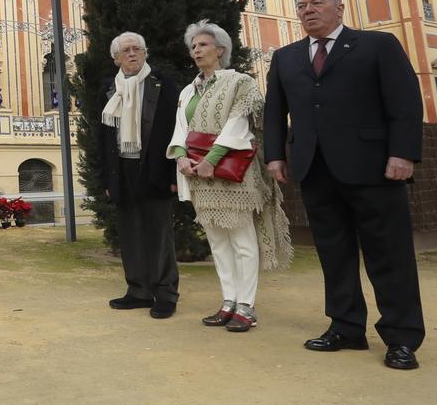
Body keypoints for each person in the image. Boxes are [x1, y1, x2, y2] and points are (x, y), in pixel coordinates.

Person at [264, 0, 425, 371]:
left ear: (340, 7)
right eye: (301, 5)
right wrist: (274, 156)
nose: (307, 11)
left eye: (317, 3)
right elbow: (274, 111)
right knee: (334, 254)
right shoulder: (285, 57)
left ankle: (401, 337)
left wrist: (402, 153)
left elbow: (404, 102)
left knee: (389, 255)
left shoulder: (378, 45)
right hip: (314, 168)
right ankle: (346, 326)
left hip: (373, 168)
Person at [167, 20, 292, 333]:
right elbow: (181, 127)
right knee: (217, 241)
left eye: (203, 45)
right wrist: (180, 156)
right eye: (193, 46)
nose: (197, 50)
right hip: (198, 174)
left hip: (231, 173)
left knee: (243, 241)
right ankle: (228, 301)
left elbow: (238, 123)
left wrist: (212, 158)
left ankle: (246, 306)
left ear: (220, 49)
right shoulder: (187, 90)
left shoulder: (240, 82)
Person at [96, 31, 180, 318]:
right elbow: (102, 137)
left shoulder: (163, 84)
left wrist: (172, 174)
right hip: (121, 169)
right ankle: (138, 290)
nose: (132, 54)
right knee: (130, 231)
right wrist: (106, 179)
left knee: (159, 233)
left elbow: (174, 130)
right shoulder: (109, 89)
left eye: (137, 49)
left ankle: (165, 292)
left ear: (145, 53)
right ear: (115, 58)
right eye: (126, 50)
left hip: (154, 167)